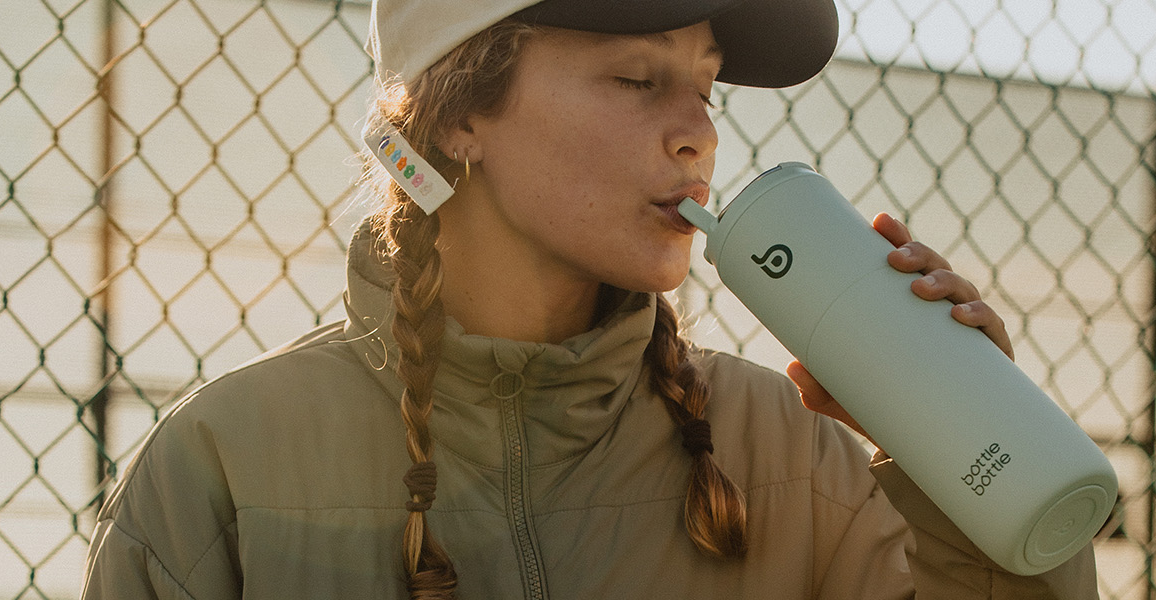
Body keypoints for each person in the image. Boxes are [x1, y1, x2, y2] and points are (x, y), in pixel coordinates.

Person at [81, 0, 1099, 597]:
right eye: (637, 80)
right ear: (459, 113)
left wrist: (979, 482)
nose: (698, 131)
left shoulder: (796, 457)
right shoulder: (220, 466)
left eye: (706, 86)